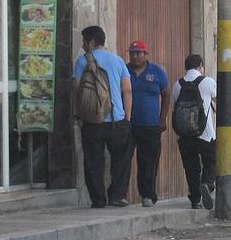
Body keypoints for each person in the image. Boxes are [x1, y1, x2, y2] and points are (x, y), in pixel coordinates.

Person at [73, 25, 132, 208]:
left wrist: (82, 112)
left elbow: (76, 88)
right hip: (117, 119)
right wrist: (127, 117)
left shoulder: (84, 61)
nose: (83, 46)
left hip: (92, 121)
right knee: (121, 161)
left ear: (91, 42)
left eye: (84, 42)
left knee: (93, 162)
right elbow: (127, 90)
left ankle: (98, 200)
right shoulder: (118, 61)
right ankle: (117, 196)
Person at [125, 39, 171, 207]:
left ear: (146, 54)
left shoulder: (157, 72)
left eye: (139, 53)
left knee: (149, 162)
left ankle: (148, 195)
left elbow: (166, 95)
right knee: (124, 160)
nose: (135, 56)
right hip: (128, 124)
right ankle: (120, 195)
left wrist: (162, 118)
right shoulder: (124, 70)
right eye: (132, 53)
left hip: (151, 126)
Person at [170, 54, 217, 210]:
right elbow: (217, 98)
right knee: (210, 161)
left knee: (191, 167)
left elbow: (175, 103)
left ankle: (195, 199)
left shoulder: (178, 84)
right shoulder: (208, 82)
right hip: (205, 133)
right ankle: (207, 184)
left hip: (185, 134)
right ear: (200, 66)